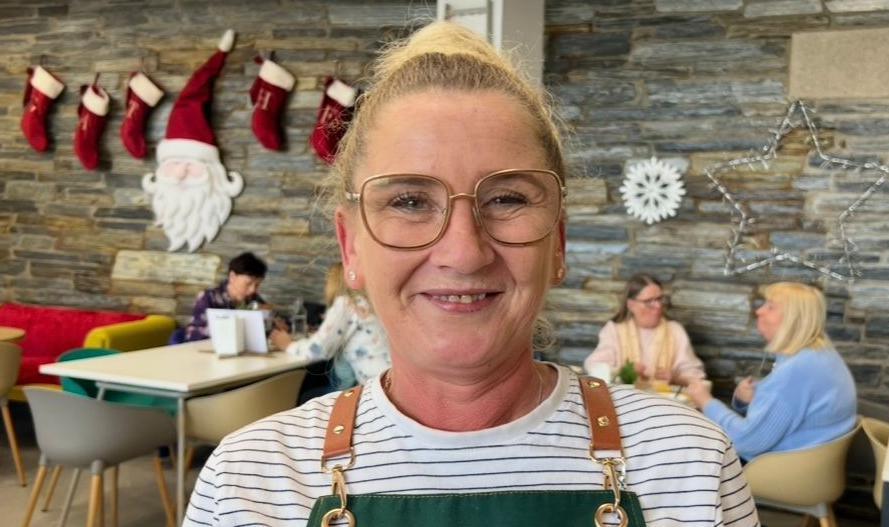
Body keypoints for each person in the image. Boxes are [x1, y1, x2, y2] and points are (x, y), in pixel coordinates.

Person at [183, 22, 757, 527]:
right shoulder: (249, 483)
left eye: (507, 198)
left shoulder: (688, 463)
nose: (463, 251)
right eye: (409, 201)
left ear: (556, 243)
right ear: (350, 247)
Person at [686, 281, 857, 461]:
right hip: (812, 462)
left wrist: (705, 401)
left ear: (793, 319)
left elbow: (745, 441)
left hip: (781, 470)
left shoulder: (796, 370)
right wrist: (751, 399)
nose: (759, 311)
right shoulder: (820, 354)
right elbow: (789, 404)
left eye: (770, 307)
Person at [269, 263, 391, 394]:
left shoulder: (346, 303)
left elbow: (319, 349)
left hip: (374, 389)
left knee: (306, 394)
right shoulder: (369, 303)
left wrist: (288, 345)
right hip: (387, 380)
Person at [584, 273, 705, 386]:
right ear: (631, 305)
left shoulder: (675, 330)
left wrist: (675, 377)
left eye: (659, 299)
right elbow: (593, 367)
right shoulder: (614, 330)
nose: (658, 306)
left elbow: (695, 375)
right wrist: (622, 371)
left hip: (664, 403)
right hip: (625, 402)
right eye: (649, 301)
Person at [179, 251, 267, 343]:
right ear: (232, 276)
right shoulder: (208, 297)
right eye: (248, 284)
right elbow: (193, 335)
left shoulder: (253, 299)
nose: (253, 290)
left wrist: (270, 318)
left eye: (257, 285)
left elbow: (271, 325)